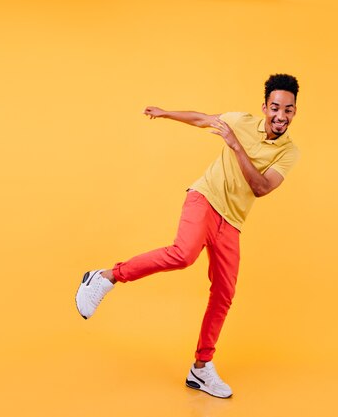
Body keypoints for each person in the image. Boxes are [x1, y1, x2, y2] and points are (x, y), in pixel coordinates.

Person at [75, 73, 300, 398]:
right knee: (183, 254)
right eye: (276, 107)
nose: (281, 116)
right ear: (265, 106)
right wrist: (166, 112)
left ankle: (201, 368)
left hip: (232, 221)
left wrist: (236, 146)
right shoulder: (240, 120)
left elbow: (261, 187)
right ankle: (105, 277)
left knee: (224, 293)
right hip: (205, 198)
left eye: (289, 110)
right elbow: (201, 119)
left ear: (294, 112)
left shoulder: (289, 152)